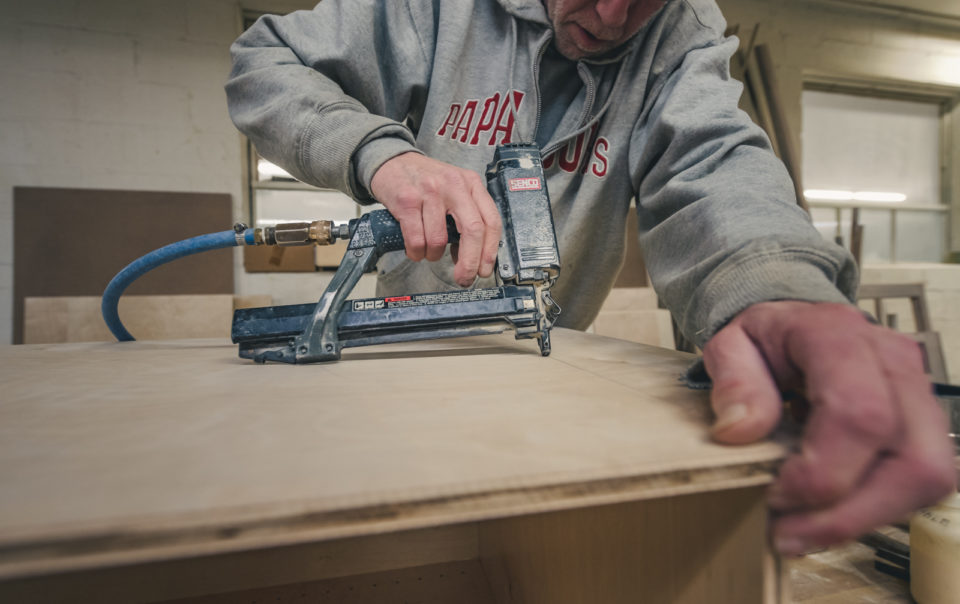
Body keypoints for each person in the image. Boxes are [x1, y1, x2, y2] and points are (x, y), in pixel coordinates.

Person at [226, 0, 956, 556]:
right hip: (410, 367)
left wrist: (774, 282)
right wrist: (380, 154)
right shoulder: (437, 10)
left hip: (549, 366)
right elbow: (264, 63)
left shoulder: (682, 29)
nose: (610, 18)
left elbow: (713, 162)